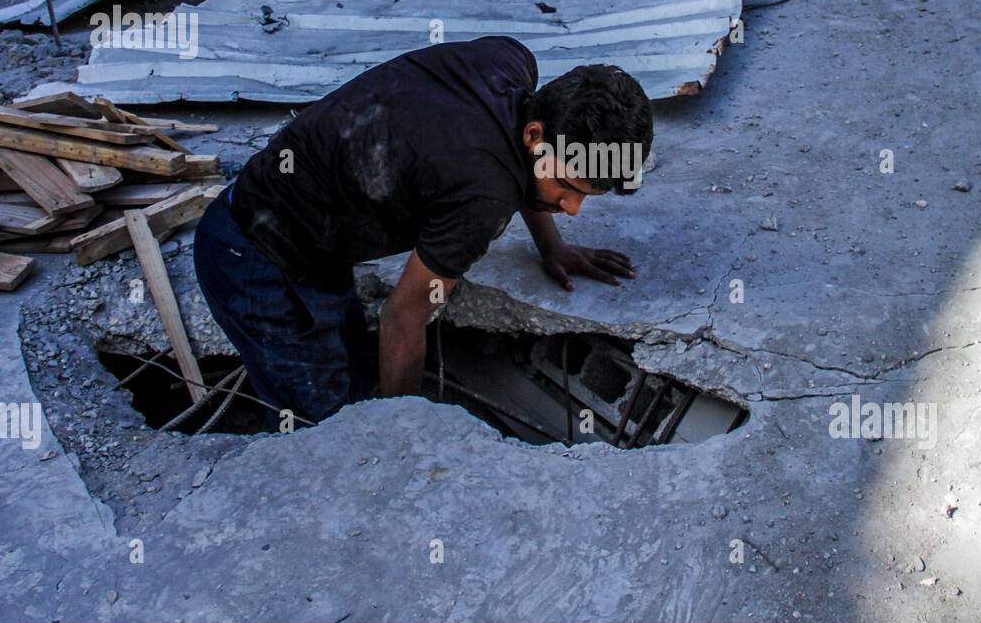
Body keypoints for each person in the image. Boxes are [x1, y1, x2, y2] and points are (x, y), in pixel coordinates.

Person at [192, 35, 653, 426]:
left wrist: (552, 245)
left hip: (307, 230)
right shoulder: (479, 202)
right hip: (254, 260)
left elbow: (521, 170)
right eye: (569, 188)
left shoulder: (510, 61)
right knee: (326, 430)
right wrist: (406, 435)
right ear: (535, 133)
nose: (573, 208)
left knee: (357, 377)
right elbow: (402, 317)